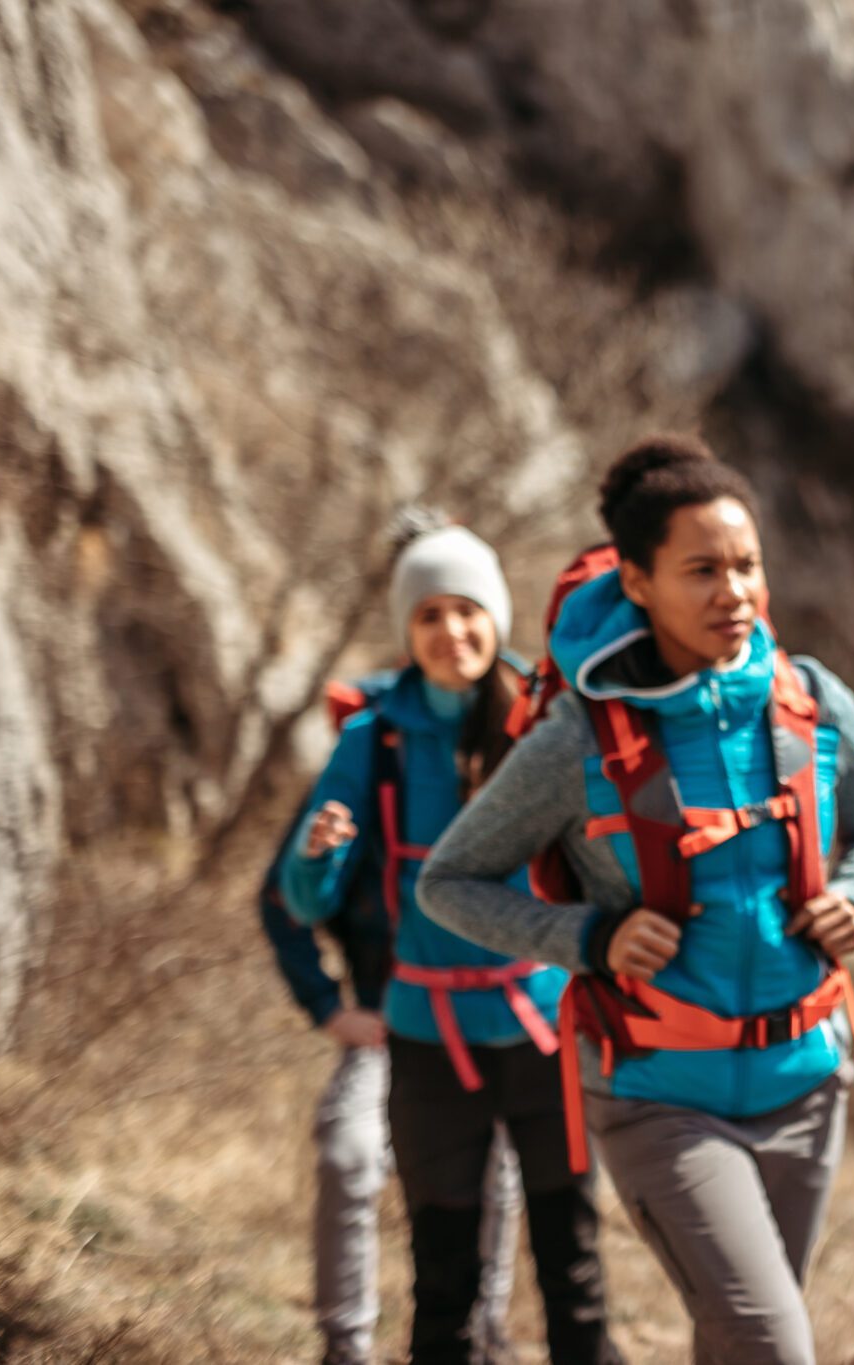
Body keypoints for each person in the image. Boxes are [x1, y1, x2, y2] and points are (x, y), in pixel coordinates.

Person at [419, 435, 854, 1365]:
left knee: (738, 1342)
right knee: (774, 1346)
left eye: (747, 565)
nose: (734, 590)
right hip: (657, 1094)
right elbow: (448, 880)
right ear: (639, 583)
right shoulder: (577, 740)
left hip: (808, 1084)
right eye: (702, 570)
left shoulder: (809, 698)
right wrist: (588, 936)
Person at [281, 513, 621, 1365]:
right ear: (406, 628)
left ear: (496, 617)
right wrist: (316, 856)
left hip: (541, 1025)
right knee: (442, 1286)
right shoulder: (373, 736)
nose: (451, 631)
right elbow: (303, 894)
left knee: (573, 1271)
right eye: (428, 614)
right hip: (427, 1035)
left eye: (467, 610)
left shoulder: (541, 720)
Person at [261, 684, 524, 1365]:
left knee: (497, 1167)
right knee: (348, 1152)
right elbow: (282, 902)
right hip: (389, 1021)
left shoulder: (505, 761)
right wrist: (327, 1007)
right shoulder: (356, 778)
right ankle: (345, 1348)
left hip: (490, 1019)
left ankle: (483, 1335)